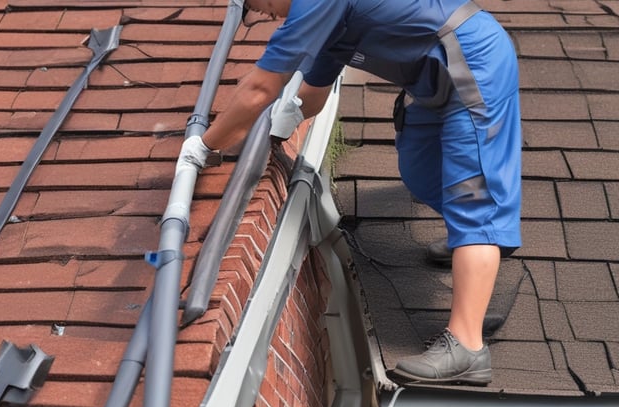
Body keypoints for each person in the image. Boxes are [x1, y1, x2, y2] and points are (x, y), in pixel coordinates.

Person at [176, 0, 522, 385]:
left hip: (470, 60)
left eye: (257, 6)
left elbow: (261, 87)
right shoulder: (327, 23)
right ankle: (473, 246)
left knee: (470, 194)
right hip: (433, 78)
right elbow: (313, 95)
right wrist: (281, 124)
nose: (265, 16)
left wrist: (205, 146)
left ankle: (467, 344)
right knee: (421, 170)